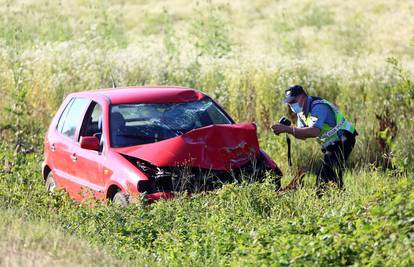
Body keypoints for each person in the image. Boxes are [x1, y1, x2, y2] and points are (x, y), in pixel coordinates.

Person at [271, 85, 357, 194]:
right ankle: (341, 195)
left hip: (344, 138)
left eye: (292, 101)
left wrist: (288, 129)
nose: (290, 105)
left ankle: (320, 197)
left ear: (302, 97)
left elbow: (314, 131)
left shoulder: (318, 106)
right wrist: (287, 129)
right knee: (331, 173)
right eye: (288, 102)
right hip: (331, 144)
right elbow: (303, 135)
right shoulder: (301, 113)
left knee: (324, 174)